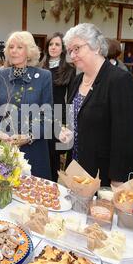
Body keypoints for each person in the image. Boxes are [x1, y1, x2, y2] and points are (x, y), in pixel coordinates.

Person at [59, 23, 133, 187]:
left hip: (103, 175)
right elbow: (77, 119)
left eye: (77, 48)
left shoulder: (119, 80)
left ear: (96, 47)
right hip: (75, 168)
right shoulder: (77, 80)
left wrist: (118, 179)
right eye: (70, 51)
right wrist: (67, 132)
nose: (72, 55)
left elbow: (126, 136)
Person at [0, 31, 53, 180]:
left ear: (29, 51)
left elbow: (48, 116)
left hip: (34, 150)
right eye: (11, 47)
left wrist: (29, 136)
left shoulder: (44, 77)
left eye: (19, 47)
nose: (13, 50)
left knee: (34, 198)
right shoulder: (1, 75)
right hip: (5, 148)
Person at [41, 32, 77, 182]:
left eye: (57, 44)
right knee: (41, 154)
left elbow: (71, 98)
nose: (53, 47)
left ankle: (52, 188)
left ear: (63, 48)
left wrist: (67, 123)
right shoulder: (40, 68)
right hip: (39, 116)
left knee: (54, 156)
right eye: (50, 44)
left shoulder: (69, 69)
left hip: (58, 117)